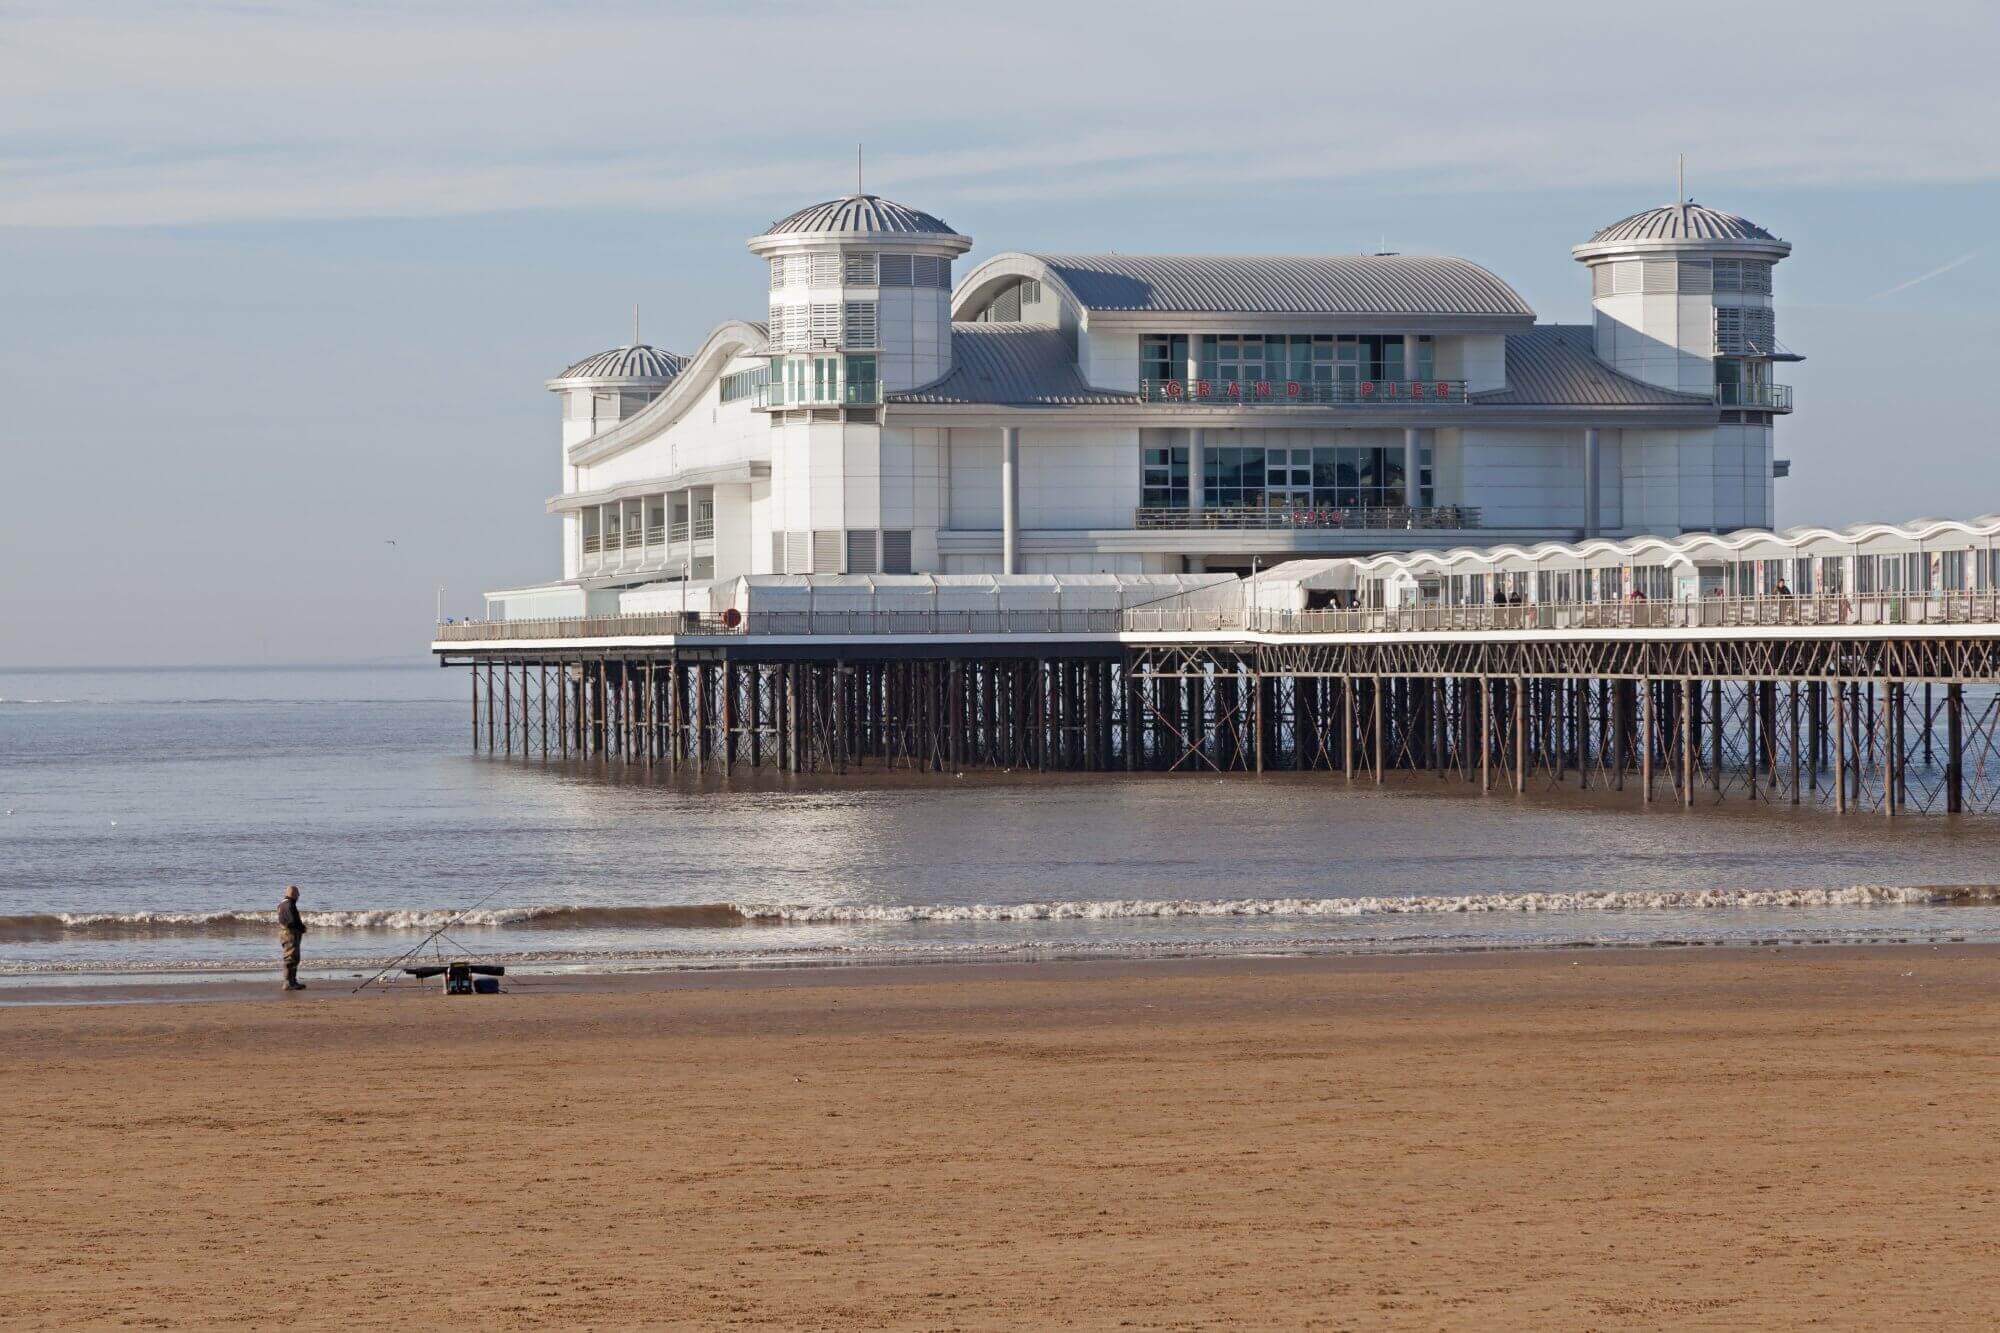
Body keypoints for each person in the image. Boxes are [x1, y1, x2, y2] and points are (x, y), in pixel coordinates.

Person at [278, 885, 308, 991]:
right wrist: (301, 927)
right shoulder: (289, 904)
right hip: (290, 935)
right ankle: (288, 982)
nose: (299, 896)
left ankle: (292, 981)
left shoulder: (282, 904)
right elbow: (292, 921)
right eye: (297, 893)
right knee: (291, 958)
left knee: (293, 958)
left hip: (285, 934)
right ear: (293, 894)